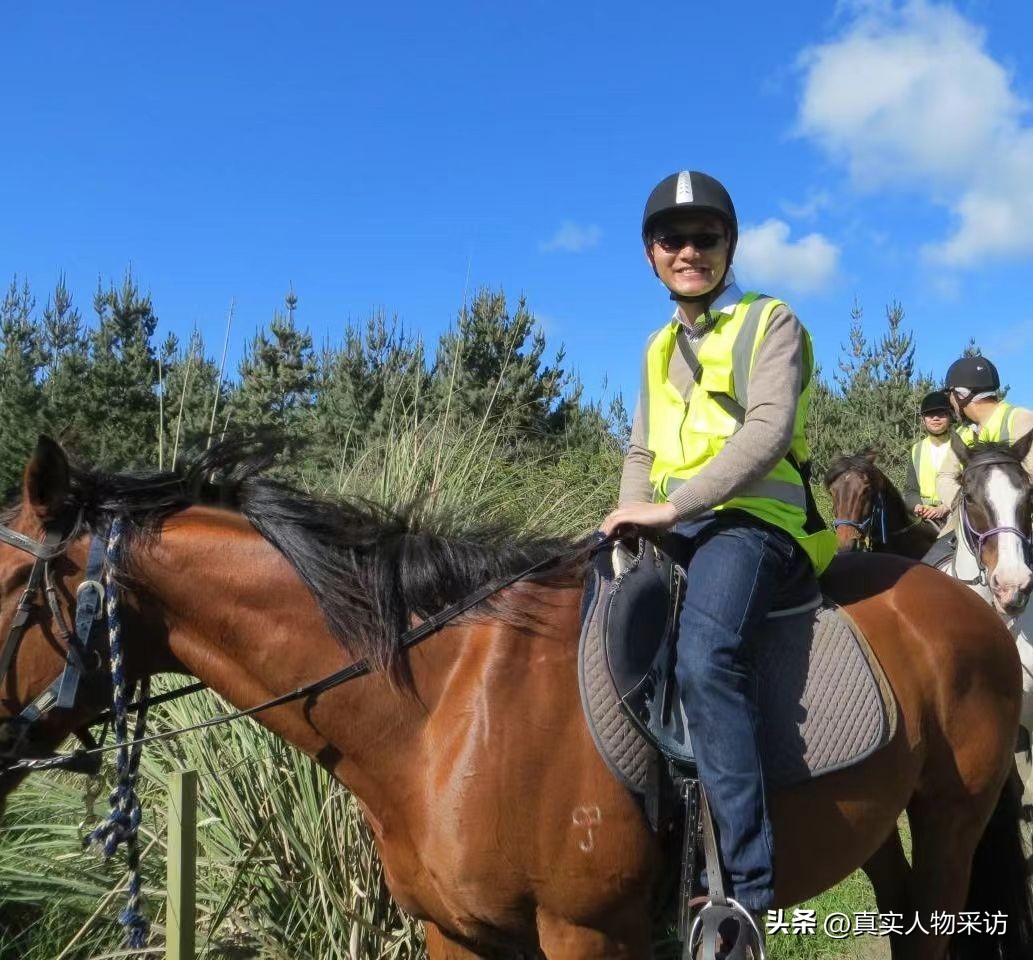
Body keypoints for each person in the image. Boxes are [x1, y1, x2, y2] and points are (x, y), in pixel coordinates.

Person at [600, 170, 836, 944]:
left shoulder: (770, 322)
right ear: (650, 255)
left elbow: (767, 431)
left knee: (705, 657)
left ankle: (740, 888)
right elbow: (640, 448)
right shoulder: (655, 346)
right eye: (673, 239)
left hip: (757, 525)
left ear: (728, 247)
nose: (689, 250)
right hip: (676, 527)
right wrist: (630, 521)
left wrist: (670, 506)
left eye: (705, 237)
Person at [922, 356, 1033, 567]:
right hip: (969, 526)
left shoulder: (1021, 420)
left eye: (950, 395)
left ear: (961, 395)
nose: (950, 401)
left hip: (1019, 526)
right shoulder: (964, 433)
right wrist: (967, 500)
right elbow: (945, 476)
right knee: (926, 569)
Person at [902, 391, 954, 528]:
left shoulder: (960, 444)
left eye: (941, 413)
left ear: (950, 416)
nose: (935, 418)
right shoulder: (916, 449)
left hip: (955, 514)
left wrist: (944, 507)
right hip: (924, 517)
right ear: (923, 419)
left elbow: (971, 486)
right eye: (930, 414)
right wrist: (917, 506)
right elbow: (910, 490)